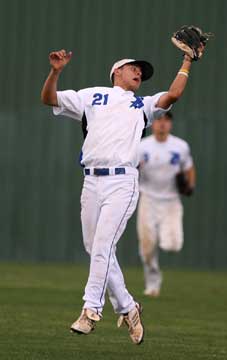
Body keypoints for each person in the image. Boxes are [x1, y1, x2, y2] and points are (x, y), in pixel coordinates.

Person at [41, 47, 198, 344]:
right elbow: (49, 98)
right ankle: (128, 307)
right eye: (133, 67)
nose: (139, 72)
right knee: (95, 247)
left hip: (122, 182)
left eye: (141, 71)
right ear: (117, 72)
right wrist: (56, 72)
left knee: (102, 245)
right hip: (91, 182)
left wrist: (187, 61)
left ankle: (90, 311)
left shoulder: (142, 104)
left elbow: (173, 95)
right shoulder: (92, 96)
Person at [137, 111, 196, 297]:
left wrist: (190, 184)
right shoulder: (142, 146)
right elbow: (132, 168)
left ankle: (165, 238)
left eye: (166, 120)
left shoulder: (180, 146)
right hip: (148, 198)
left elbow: (189, 168)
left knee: (172, 245)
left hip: (171, 200)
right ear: (153, 124)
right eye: (159, 120)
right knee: (147, 246)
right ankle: (153, 283)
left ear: (170, 124)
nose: (162, 124)